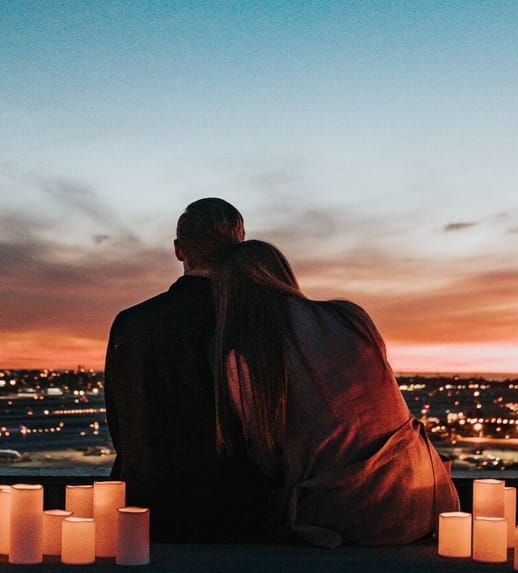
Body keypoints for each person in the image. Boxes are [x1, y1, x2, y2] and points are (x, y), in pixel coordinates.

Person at [212, 240, 459, 547]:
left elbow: (267, 459)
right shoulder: (351, 317)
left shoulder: (248, 357)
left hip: (350, 515)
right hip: (428, 497)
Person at [105, 198, 268, 542]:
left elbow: (122, 425)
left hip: (145, 510)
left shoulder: (130, 324)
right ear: (239, 249)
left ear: (179, 250)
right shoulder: (255, 322)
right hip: (235, 513)